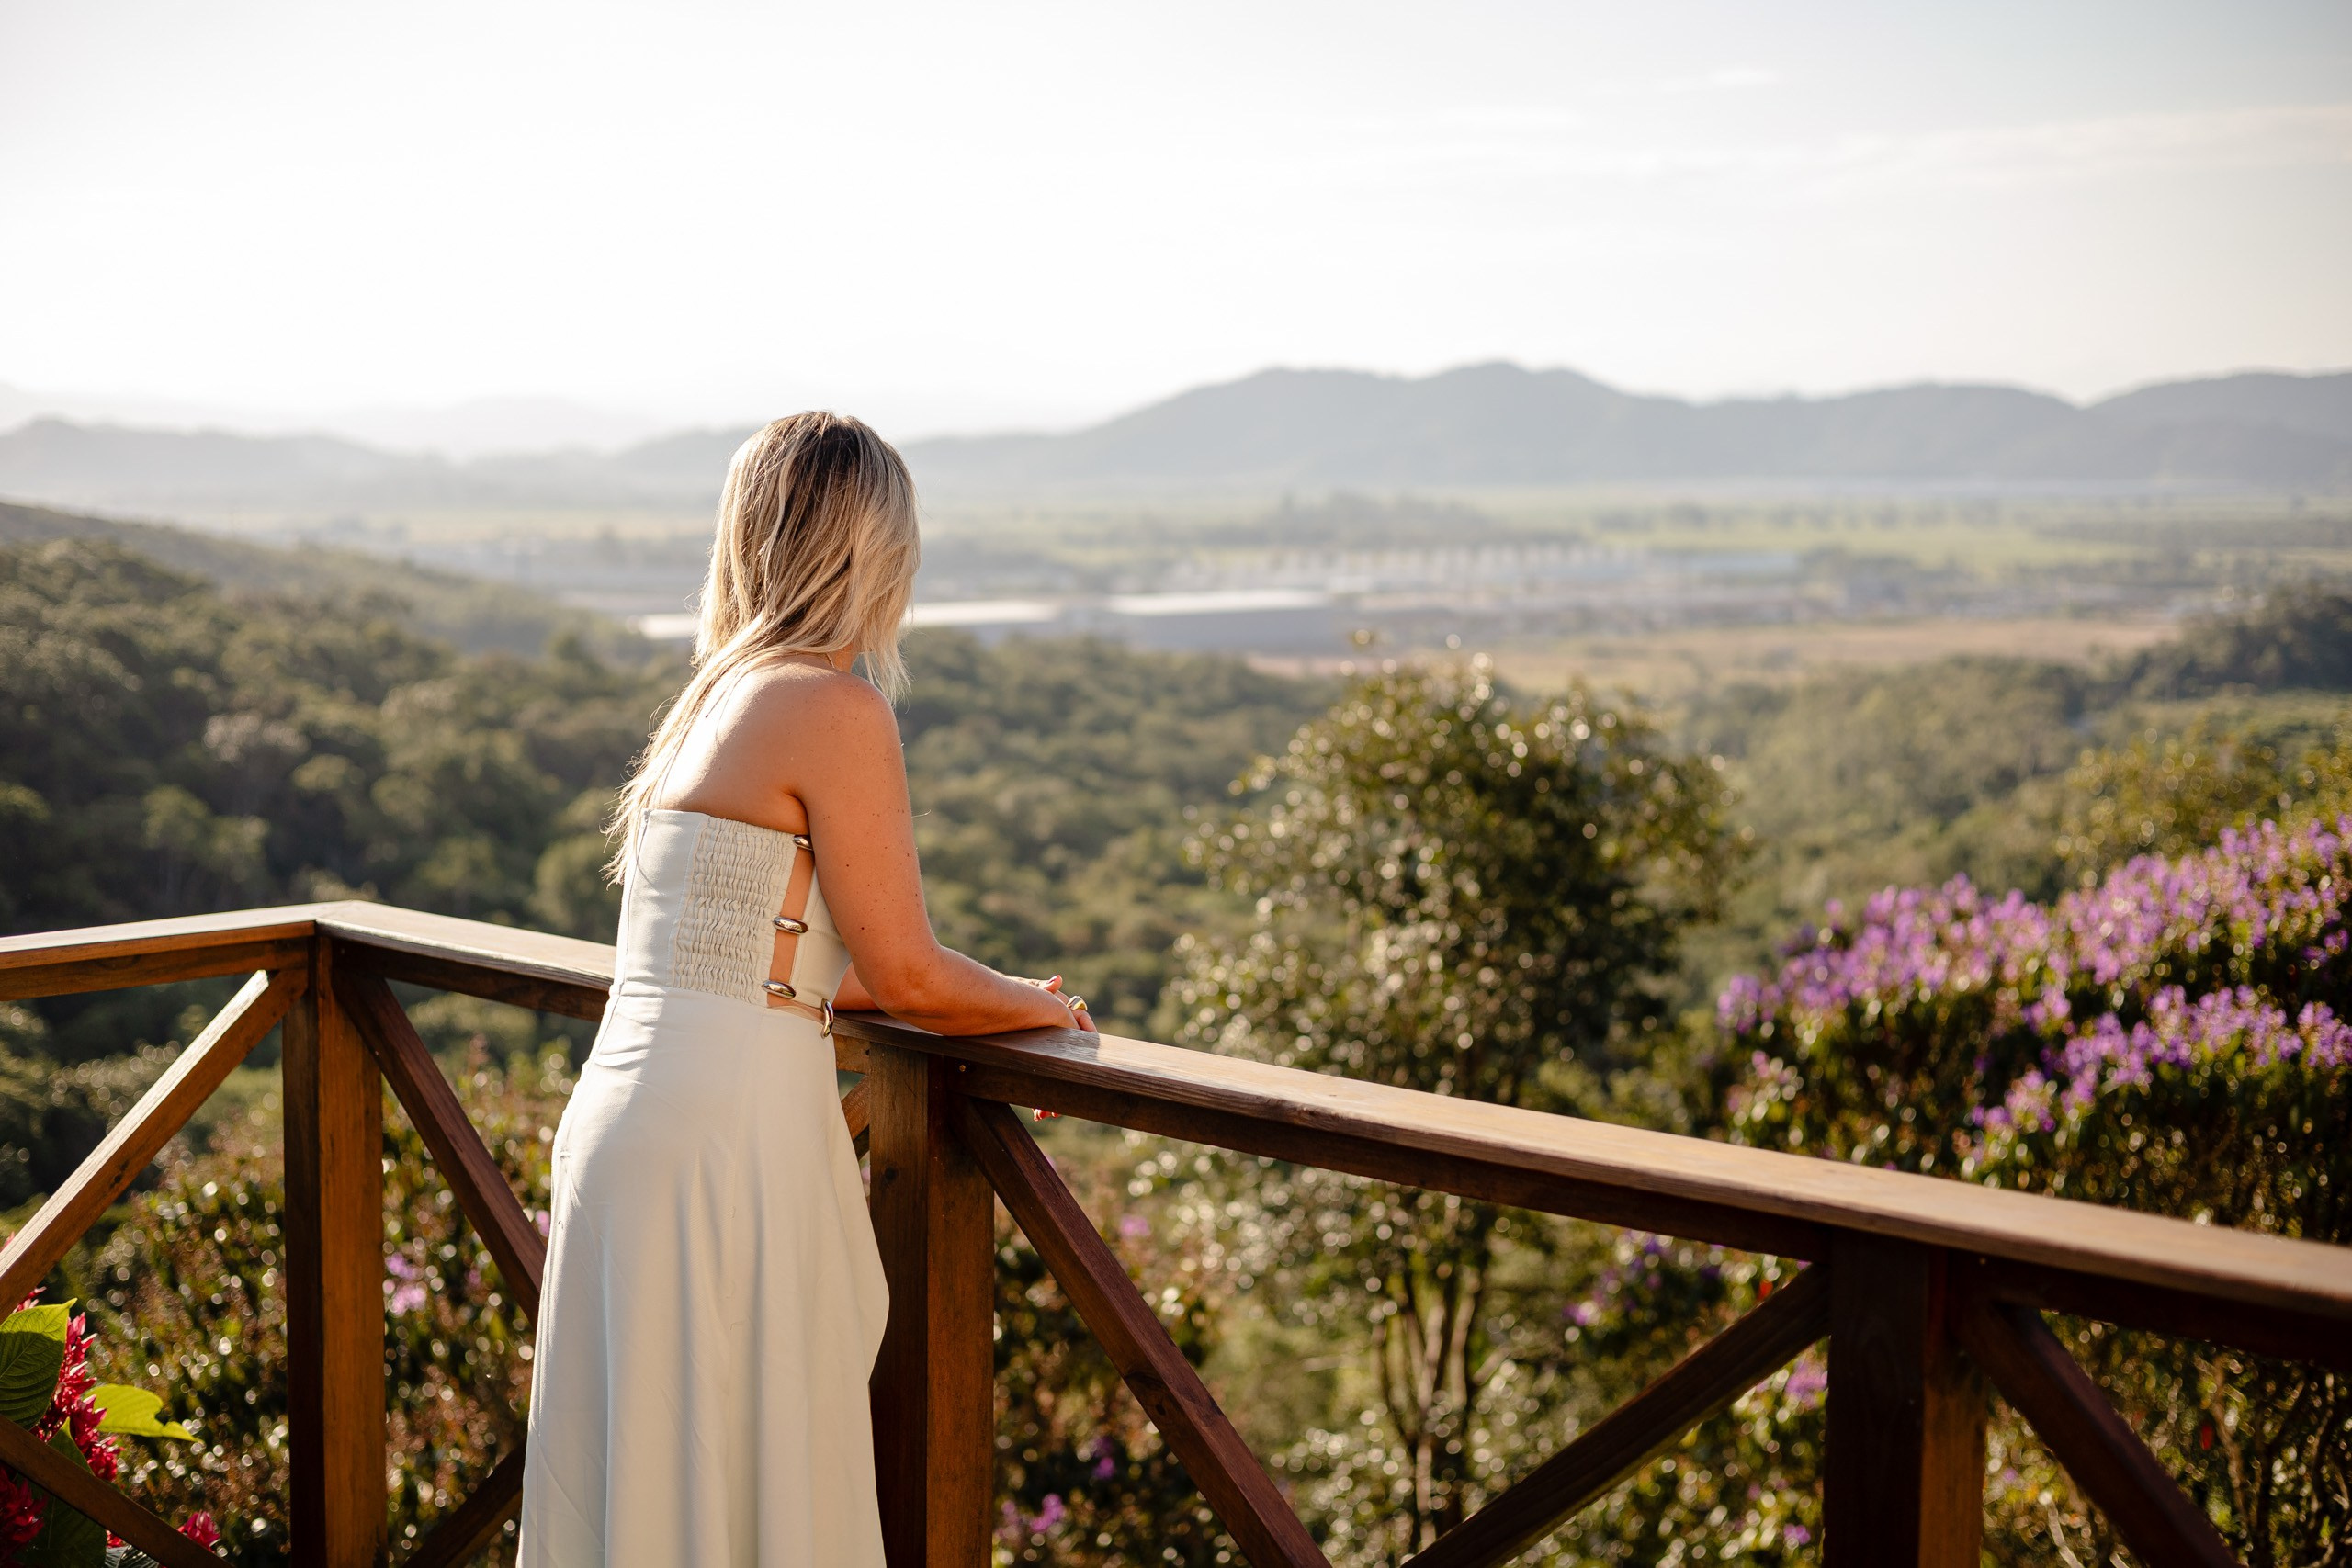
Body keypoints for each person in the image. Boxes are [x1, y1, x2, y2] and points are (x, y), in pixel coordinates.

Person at [517, 412, 1093, 1565]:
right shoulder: (833, 706)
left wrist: (981, 998)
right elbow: (908, 970)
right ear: (874, 551)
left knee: (649, 1479)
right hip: (724, 1138)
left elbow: (793, 966)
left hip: (631, 1119)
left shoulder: (712, 699)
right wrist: (1047, 1011)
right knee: (751, 1466)